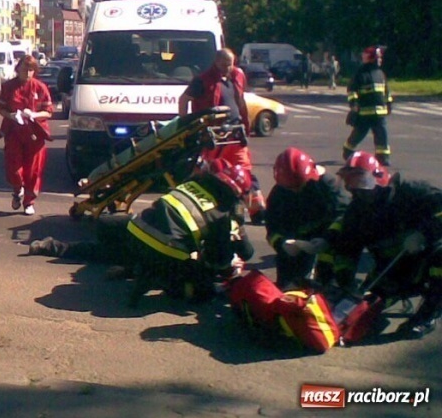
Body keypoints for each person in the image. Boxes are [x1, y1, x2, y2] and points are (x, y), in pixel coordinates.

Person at [320, 152, 442, 340]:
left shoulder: (410, 192)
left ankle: (427, 315)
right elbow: (347, 249)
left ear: (379, 178)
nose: (359, 193)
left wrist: (423, 234)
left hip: (426, 258)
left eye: (362, 186)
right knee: (366, 306)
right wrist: (347, 282)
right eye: (353, 188)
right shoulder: (357, 211)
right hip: (391, 268)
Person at [125, 163, 256, 303]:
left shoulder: (193, 182)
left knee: (175, 248)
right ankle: (171, 284)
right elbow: (217, 259)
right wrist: (229, 264)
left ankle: (145, 271)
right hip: (164, 250)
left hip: (135, 232)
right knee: (204, 290)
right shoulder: (221, 214)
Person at [178, 48, 267, 225]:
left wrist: (245, 124)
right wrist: (187, 124)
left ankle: (257, 211)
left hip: (235, 133)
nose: (228, 68)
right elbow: (184, 100)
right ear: (216, 62)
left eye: (231, 64)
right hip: (214, 137)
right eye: (224, 64)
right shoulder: (203, 80)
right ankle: (221, 210)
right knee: (214, 173)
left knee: (245, 171)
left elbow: (240, 100)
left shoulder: (237, 76)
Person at [265, 147, 350, 289]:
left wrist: (328, 239)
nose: (296, 191)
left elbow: (344, 216)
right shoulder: (278, 194)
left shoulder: (328, 185)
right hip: (297, 243)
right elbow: (272, 228)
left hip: (327, 237)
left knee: (329, 282)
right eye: (291, 188)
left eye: (299, 185)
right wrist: (282, 244)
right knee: (288, 288)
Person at [0, 54, 54, 216]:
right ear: (18, 69)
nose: (28, 73)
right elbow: (1, 109)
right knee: (14, 168)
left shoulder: (40, 87)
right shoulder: (9, 87)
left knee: (33, 170)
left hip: (35, 134)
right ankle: (17, 189)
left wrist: (35, 115)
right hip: (14, 131)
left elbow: (49, 112)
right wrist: (11, 116)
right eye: (24, 69)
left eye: (31, 70)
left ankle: (29, 201)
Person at [342, 46, 392, 166]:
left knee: (382, 136)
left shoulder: (380, 74)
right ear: (371, 58)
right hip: (364, 113)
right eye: (378, 57)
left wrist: (389, 103)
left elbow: (386, 91)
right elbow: (352, 90)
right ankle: (348, 151)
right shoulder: (360, 73)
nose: (380, 60)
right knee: (358, 134)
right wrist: (354, 105)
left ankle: (382, 157)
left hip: (380, 114)